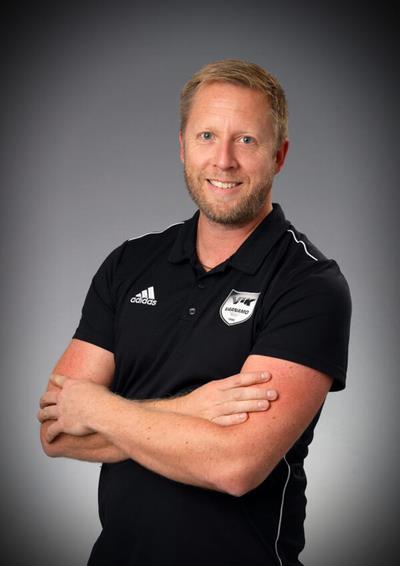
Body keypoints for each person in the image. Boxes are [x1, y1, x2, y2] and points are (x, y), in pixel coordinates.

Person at [38, 59, 351, 565]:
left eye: (246, 140)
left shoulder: (309, 285)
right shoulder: (129, 264)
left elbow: (235, 465)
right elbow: (56, 431)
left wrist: (95, 407)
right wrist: (191, 408)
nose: (224, 161)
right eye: (207, 136)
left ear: (279, 155)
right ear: (183, 146)